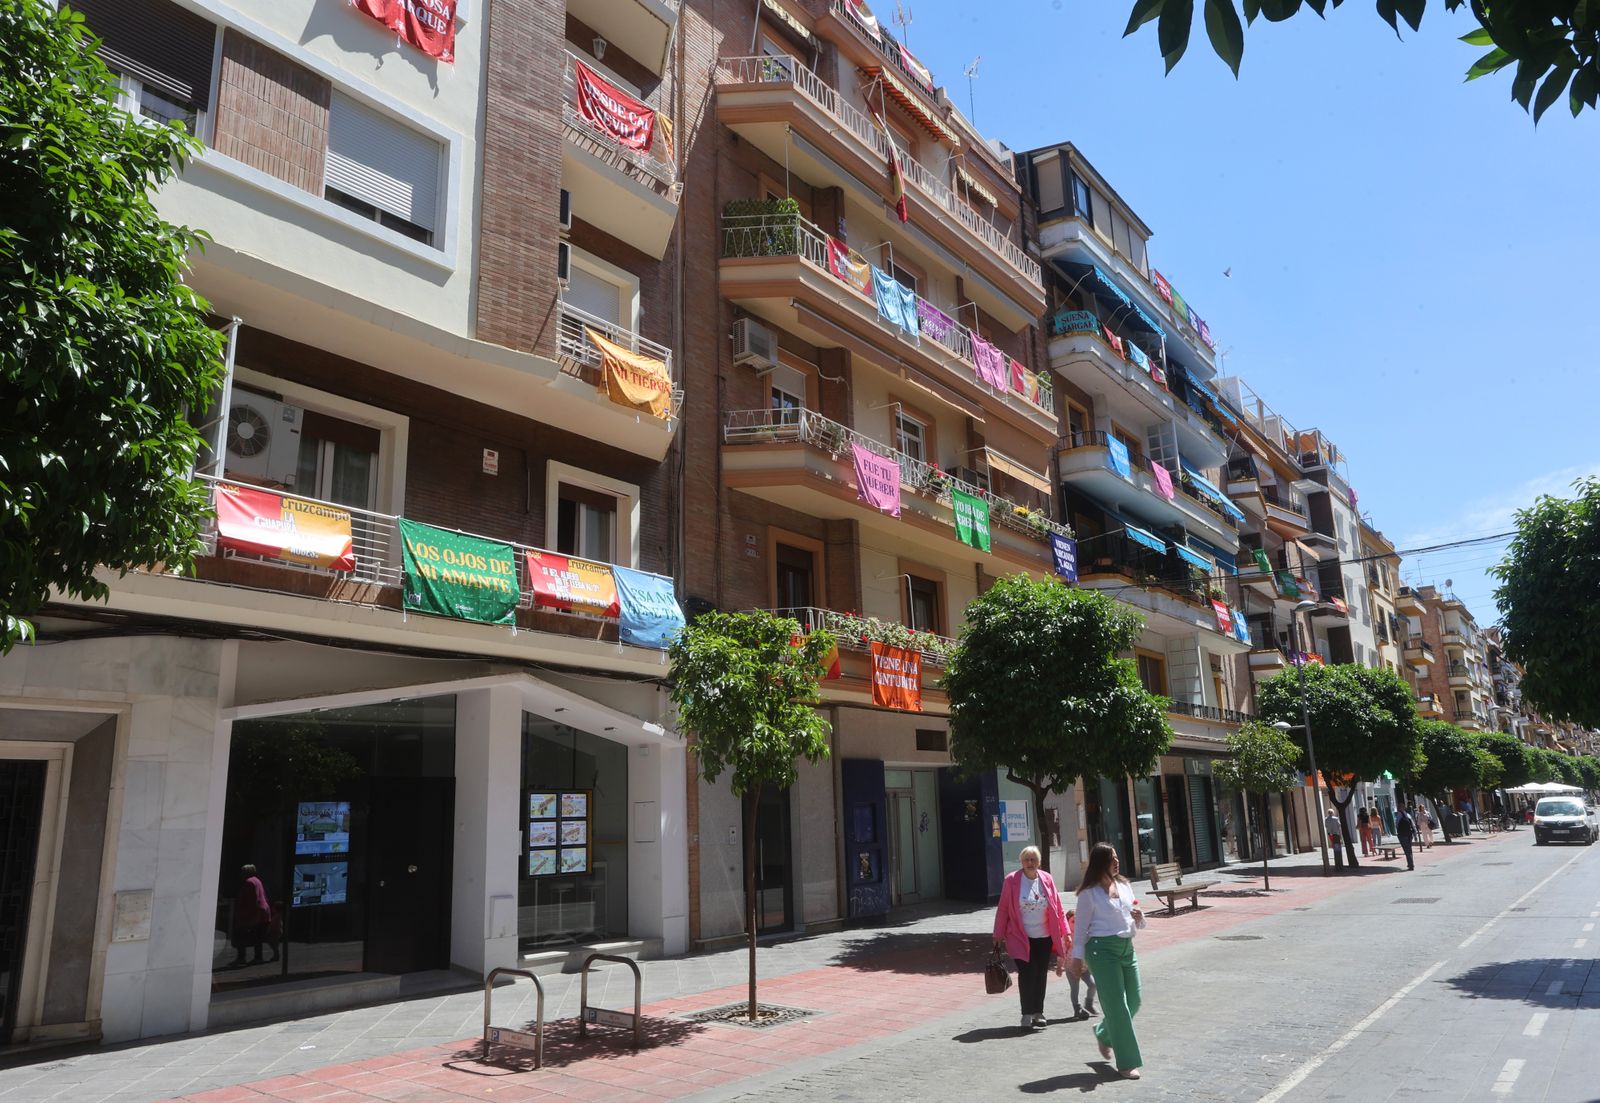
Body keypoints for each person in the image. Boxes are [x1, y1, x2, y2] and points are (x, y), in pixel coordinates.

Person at [1068, 843, 1145, 1080]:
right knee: (1118, 1008)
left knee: (1134, 999)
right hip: (1101, 951)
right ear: (1100, 862)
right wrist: (1076, 958)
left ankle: (1103, 1033)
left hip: (1126, 947)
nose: (1117, 861)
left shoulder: (1124, 885)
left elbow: (1136, 918)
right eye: (1112, 858)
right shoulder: (1088, 894)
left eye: (1117, 857)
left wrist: (1140, 918)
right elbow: (1080, 930)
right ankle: (1127, 1063)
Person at [992, 845, 1067, 1030]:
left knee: (1041, 974)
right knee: (1027, 974)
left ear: (1039, 862)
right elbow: (1003, 909)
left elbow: (1058, 906)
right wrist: (998, 934)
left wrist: (1066, 931)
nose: (1030, 863)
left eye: (1033, 859)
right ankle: (1026, 1013)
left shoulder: (1047, 879)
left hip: (1044, 936)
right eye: (1027, 859)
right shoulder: (1012, 881)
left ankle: (1038, 1012)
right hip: (1020, 937)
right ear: (1021, 862)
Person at [231, 863, 276, 966]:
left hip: (255, 912)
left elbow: (252, 900)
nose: (241, 874)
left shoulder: (249, 882)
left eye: (243, 872)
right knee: (258, 936)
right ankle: (258, 957)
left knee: (240, 934)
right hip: (263, 911)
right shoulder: (257, 880)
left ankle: (241, 958)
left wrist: (249, 917)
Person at [1063, 909, 1098, 1020]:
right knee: (1075, 989)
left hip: (1084, 967)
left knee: (1093, 985)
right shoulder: (1066, 938)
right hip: (1071, 967)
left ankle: (1089, 1003)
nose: (1076, 924)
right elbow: (1061, 952)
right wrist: (1059, 966)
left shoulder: (1085, 934)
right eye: (1073, 921)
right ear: (1067, 923)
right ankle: (1077, 1008)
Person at [1394, 804, 1417, 871]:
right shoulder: (1408, 815)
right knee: (1409, 849)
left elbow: (1397, 825)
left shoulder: (1398, 815)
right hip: (1409, 834)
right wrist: (1415, 834)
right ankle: (1410, 863)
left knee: (1406, 850)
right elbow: (1413, 825)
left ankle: (1410, 865)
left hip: (1402, 835)